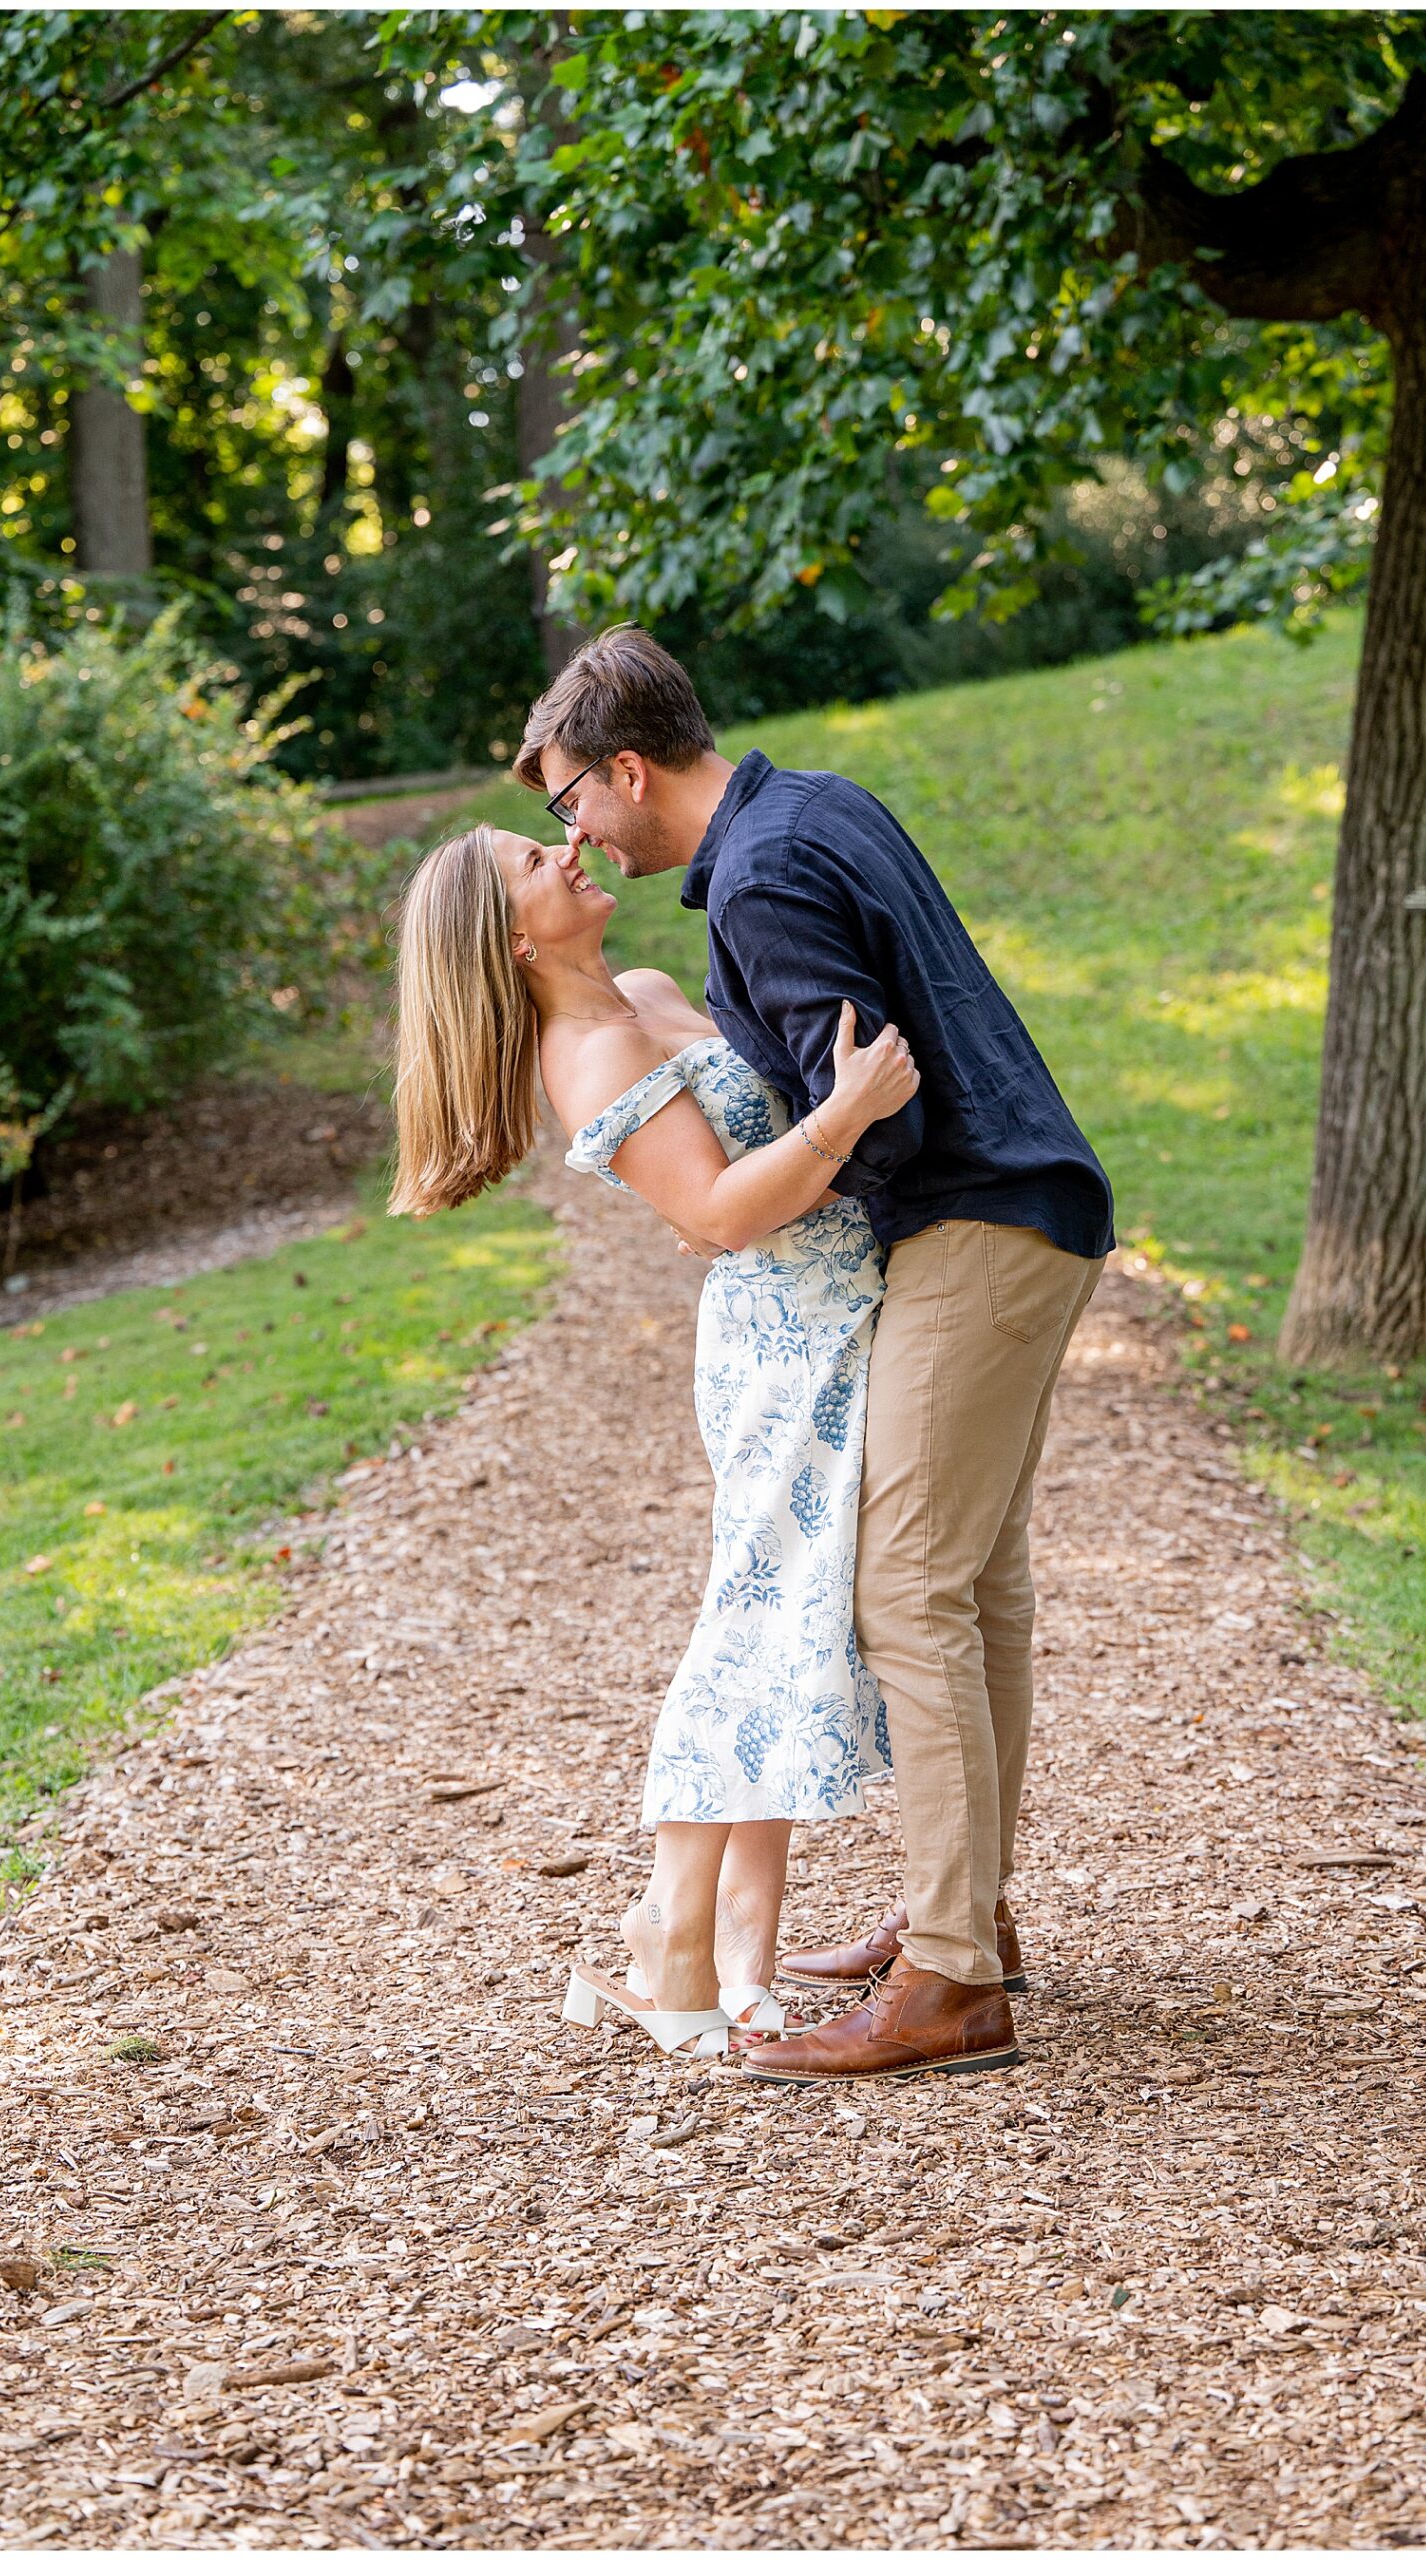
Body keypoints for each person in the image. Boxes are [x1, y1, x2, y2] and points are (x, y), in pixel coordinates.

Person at [515, 626, 1115, 2085]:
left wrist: (765, 1201)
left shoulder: (766, 876)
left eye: (570, 800)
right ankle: (959, 1921)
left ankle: (954, 1980)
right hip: (1027, 1201)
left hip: (972, 1223)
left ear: (627, 769)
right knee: (975, 1582)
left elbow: (881, 1109)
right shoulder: (816, 804)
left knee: (908, 1583)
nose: (573, 830)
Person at [389, 820, 918, 2060]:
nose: (572, 851)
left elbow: (730, 1172)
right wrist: (844, 1118)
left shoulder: (647, 991)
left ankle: (737, 1941)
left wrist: (813, 1141)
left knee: (796, 1615)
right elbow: (724, 1213)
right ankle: (668, 1935)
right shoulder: (582, 1050)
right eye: (537, 861)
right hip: (785, 1339)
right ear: (511, 935)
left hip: (840, 1303)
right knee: (758, 1615)